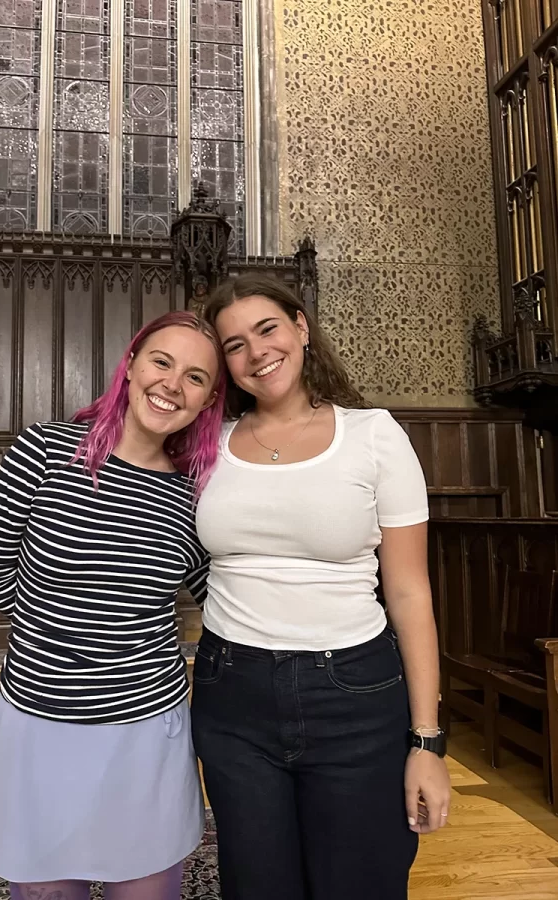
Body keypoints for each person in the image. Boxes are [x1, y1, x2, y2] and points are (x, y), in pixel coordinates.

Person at [192, 275, 451, 900]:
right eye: (234, 345)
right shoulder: (205, 445)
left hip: (356, 694)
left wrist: (427, 741)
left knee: (360, 883)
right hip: (233, 694)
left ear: (301, 328)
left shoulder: (375, 436)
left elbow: (411, 593)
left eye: (267, 329)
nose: (256, 353)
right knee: (257, 886)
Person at [0, 310, 226, 900]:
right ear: (131, 365)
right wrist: (59, 627)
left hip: (144, 725)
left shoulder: (195, 492)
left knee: (146, 886)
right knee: (46, 890)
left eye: (195, 378)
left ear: (208, 400)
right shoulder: (44, 449)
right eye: (162, 362)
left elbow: (223, 597)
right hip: (40, 714)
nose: (172, 384)